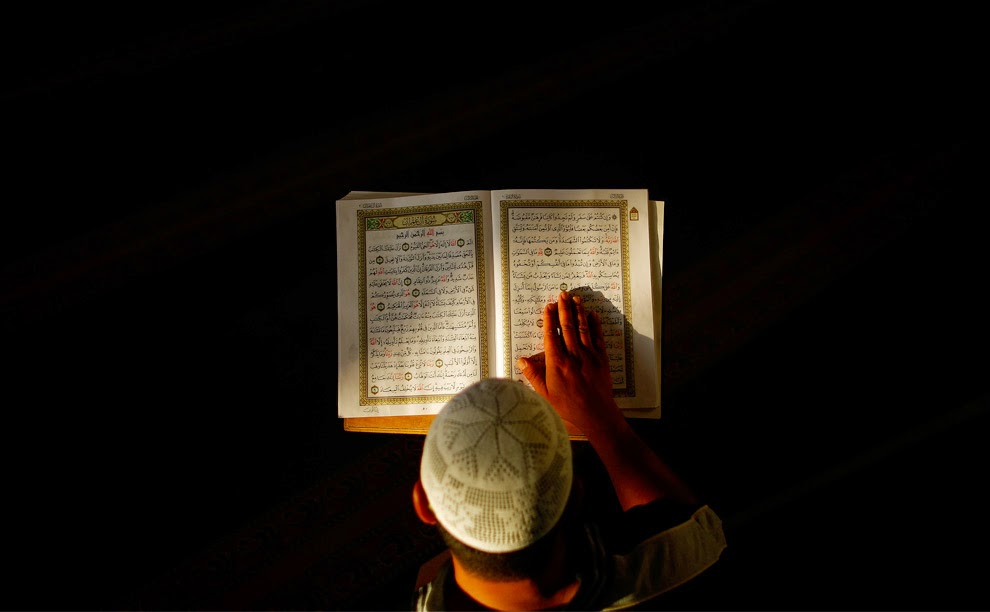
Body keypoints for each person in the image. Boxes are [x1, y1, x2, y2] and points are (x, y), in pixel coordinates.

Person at [412, 291, 726, 610]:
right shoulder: (679, 566)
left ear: (424, 504)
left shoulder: (426, 598)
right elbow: (686, 524)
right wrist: (600, 416)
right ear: (578, 493)